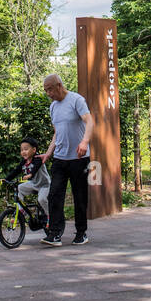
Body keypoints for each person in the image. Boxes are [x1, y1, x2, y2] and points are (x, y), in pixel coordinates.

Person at [40, 74, 94, 245]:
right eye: (45, 90)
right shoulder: (53, 107)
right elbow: (57, 133)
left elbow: (90, 121)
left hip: (79, 158)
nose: (48, 93)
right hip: (60, 159)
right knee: (54, 195)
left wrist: (85, 141)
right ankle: (55, 234)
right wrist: (49, 153)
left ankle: (81, 233)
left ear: (58, 85)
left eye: (50, 89)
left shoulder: (76, 100)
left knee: (80, 197)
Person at [6, 136, 50, 225]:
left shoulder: (37, 159)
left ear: (34, 150)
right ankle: (22, 210)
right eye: (21, 150)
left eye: (26, 149)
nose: (23, 152)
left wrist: (31, 174)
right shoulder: (24, 161)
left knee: (41, 199)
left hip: (44, 185)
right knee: (19, 188)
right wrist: (5, 179)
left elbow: (36, 167)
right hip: (34, 184)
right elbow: (16, 171)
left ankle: (50, 215)